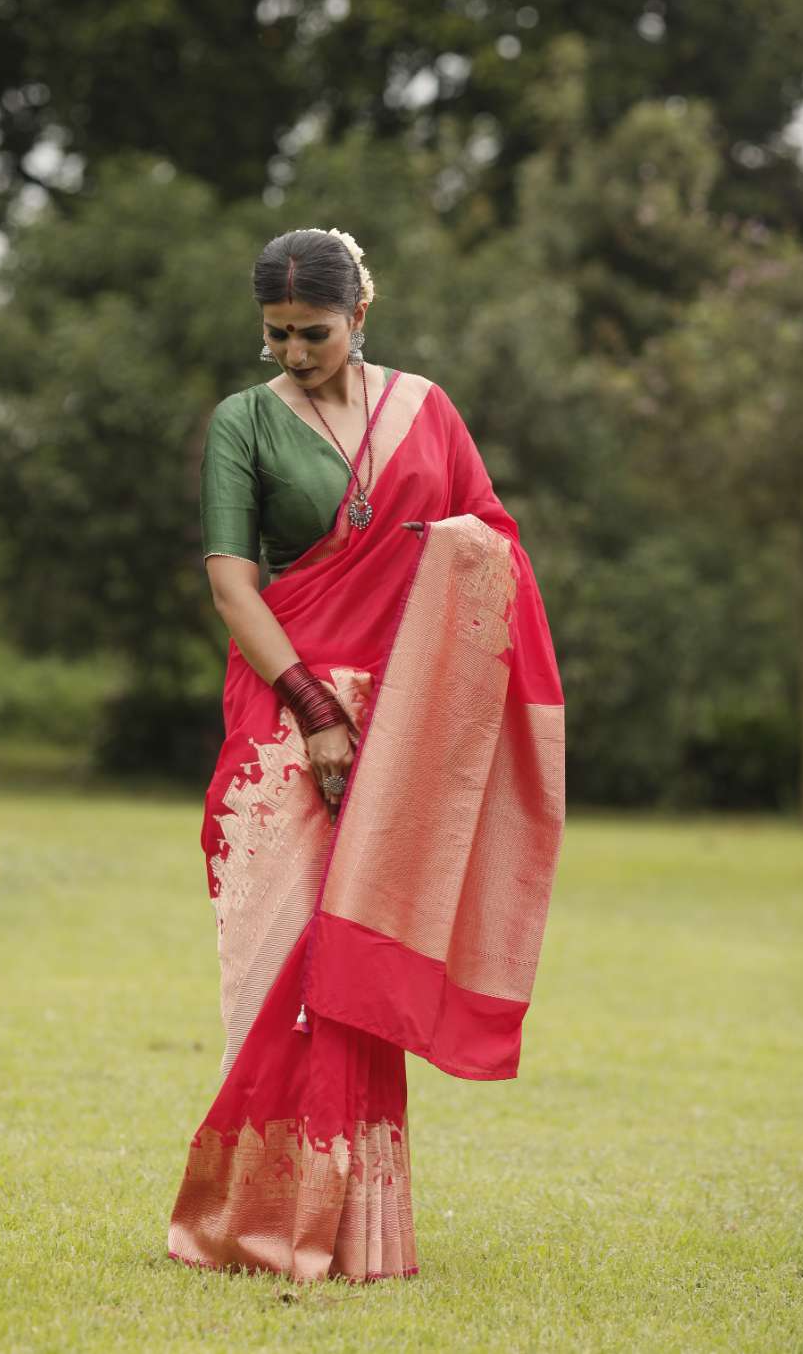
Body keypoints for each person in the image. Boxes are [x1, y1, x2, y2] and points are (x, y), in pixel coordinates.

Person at [167, 226, 566, 1283]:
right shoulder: (243, 423)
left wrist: (439, 564)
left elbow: (491, 539)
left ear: (360, 314)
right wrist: (312, 706)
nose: (295, 354)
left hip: (401, 725)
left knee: (353, 961)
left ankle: (352, 1229)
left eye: (314, 333)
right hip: (280, 715)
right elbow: (230, 585)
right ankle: (251, 1219)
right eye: (276, 336)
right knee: (282, 964)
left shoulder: (426, 410)